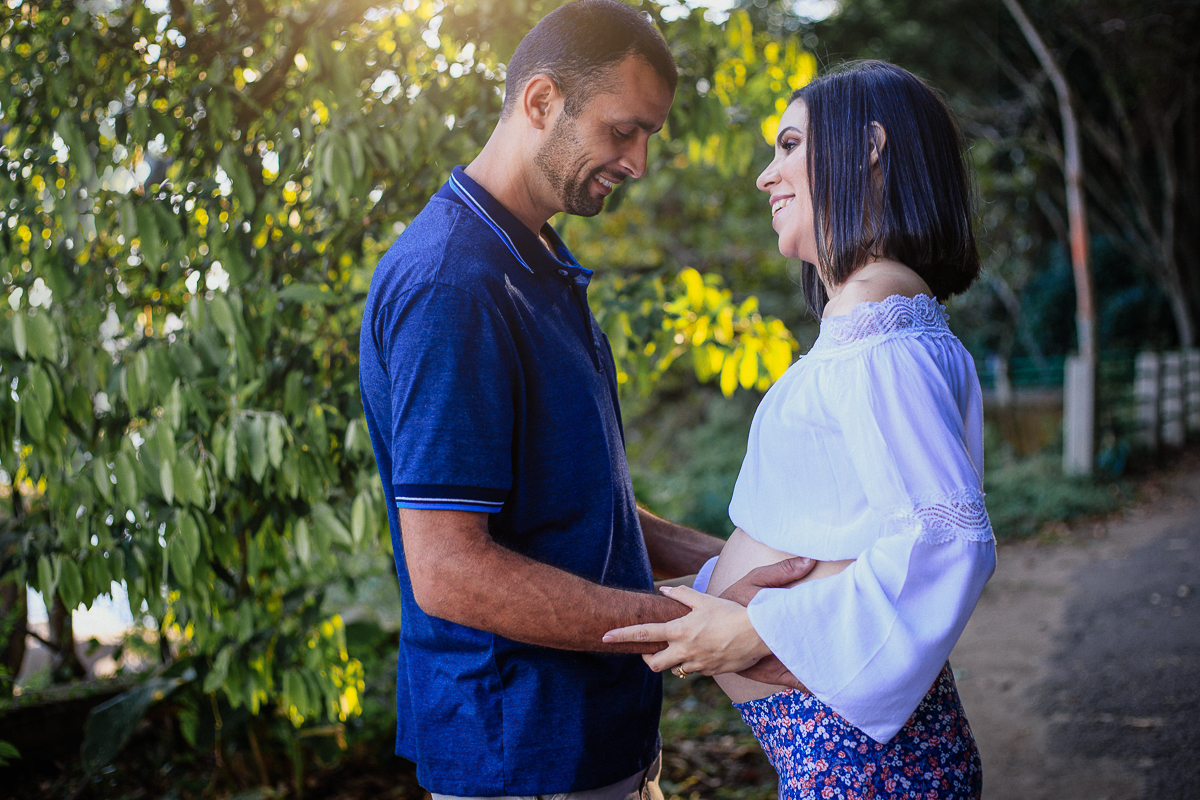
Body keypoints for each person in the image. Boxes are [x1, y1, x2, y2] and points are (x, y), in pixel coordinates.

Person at [358, 2, 807, 796]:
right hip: (523, 760)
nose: (638, 162)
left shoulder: (533, 257)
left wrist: (741, 568)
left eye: (648, 138)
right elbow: (450, 572)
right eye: (622, 130)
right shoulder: (452, 285)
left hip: (600, 745)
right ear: (540, 102)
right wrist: (694, 630)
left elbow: (575, 508)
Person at [604, 61, 997, 799]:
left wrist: (756, 632)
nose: (766, 174)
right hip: (849, 755)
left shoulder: (880, 345)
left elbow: (948, 538)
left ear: (869, 149)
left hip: (864, 766)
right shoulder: (879, 333)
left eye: (787, 144)